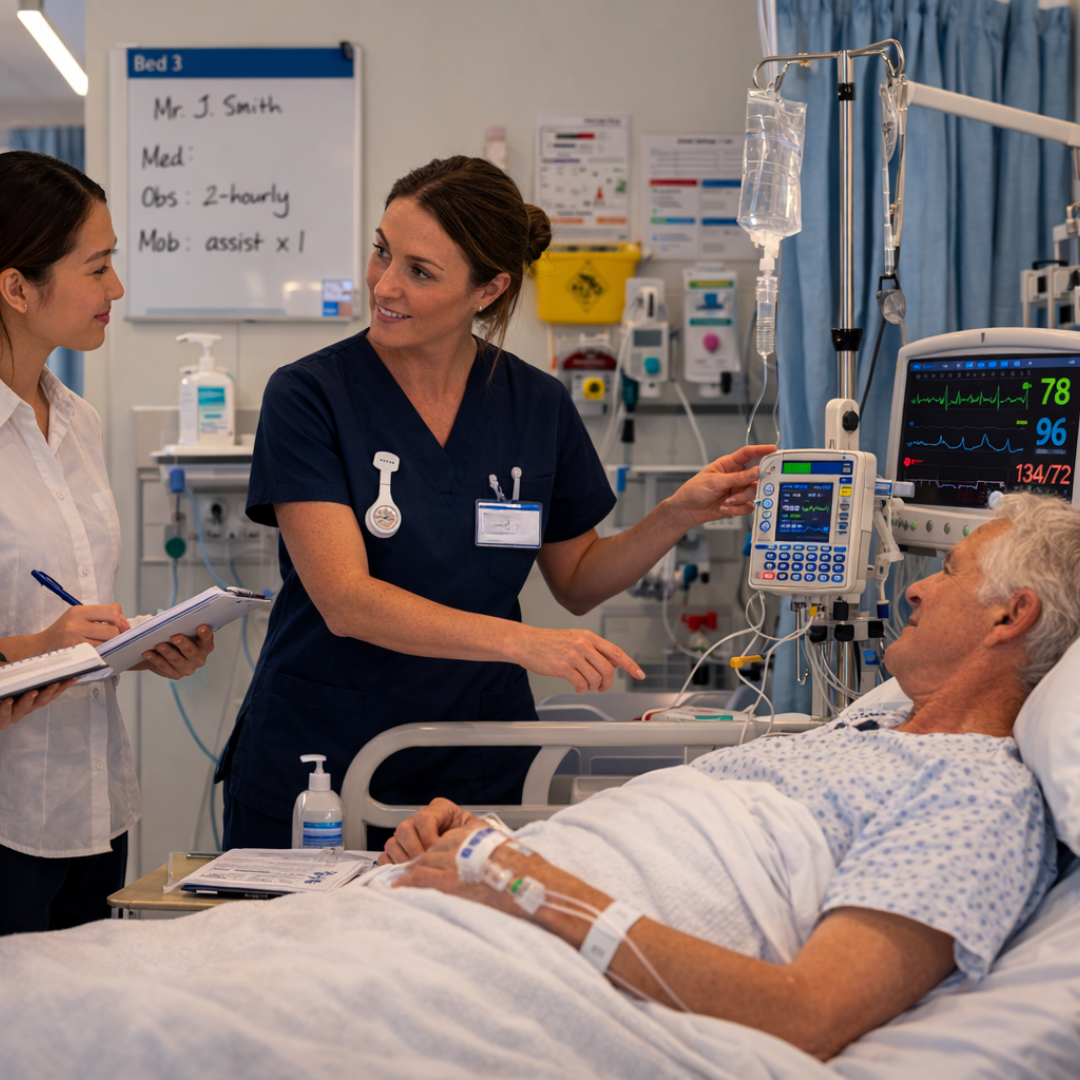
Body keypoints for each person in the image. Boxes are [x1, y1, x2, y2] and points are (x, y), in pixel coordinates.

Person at [381, 492, 1080, 1060]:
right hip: (470, 907)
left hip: (509, 957)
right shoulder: (863, 731)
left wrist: (522, 883)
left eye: (950, 570)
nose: (918, 588)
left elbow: (809, 1014)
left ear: (1010, 616)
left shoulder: (978, 793)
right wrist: (488, 843)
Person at [219, 154, 773, 850]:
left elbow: (576, 580)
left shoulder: (535, 405)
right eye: (382, 252)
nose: (384, 285)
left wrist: (678, 513)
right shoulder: (309, 397)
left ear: (488, 289)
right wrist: (522, 642)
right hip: (326, 755)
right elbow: (345, 600)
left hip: (478, 755)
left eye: (420, 272)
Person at [0, 151, 216, 935]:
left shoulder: (78, 423)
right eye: (97, 268)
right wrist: (35, 646)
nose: (115, 289)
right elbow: (38, 631)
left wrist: (142, 643)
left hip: (94, 807)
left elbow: (71, 608)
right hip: (7, 815)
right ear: (17, 287)